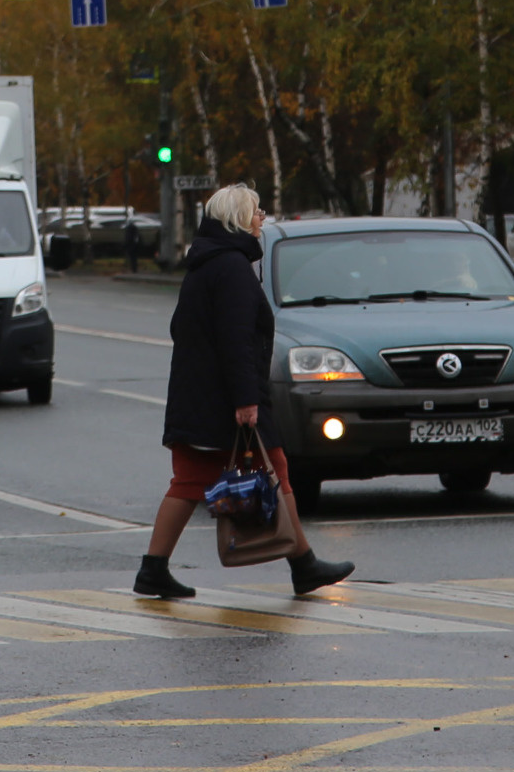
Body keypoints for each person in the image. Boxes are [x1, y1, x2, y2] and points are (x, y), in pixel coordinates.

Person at [137, 183, 354, 601]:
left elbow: (181, 328)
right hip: (225, 402)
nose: (262, 219)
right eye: (257, 211)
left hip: (199, 400)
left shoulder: (205, 265)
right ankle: (303, 566)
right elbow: (237, 340)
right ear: (238, 218)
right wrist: (246, 399)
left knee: (192, 481)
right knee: (272, 472)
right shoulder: (232, 268)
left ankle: (154, 569)